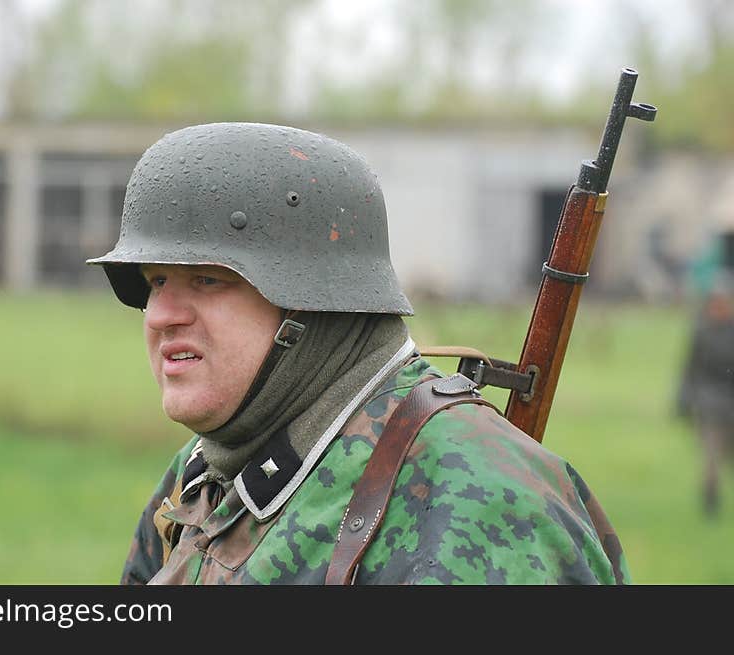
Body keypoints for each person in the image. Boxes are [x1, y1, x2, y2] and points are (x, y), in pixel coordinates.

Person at [87, 122, 629, 585]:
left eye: (206, 280)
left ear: (314, 302)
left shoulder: (483, 501)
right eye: (156, 281)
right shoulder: (203, 472)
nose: (161, 316)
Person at [677, 227, 734, 516]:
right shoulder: (702, 331)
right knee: (711, 457)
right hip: (710, 404)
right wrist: (683, 401)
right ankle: (710, 503)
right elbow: (689, 368)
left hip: (731, 403)